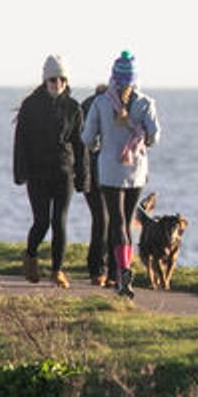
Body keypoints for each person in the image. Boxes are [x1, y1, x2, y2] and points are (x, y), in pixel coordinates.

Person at [80, 50, 160, 297]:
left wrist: (98, 147)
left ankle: (122, 270)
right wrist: (140, 140)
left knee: (117, 222)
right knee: (127, 219)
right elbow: (154, 137)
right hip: (135, 170)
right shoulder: (146, 103)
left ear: (113, 77)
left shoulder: (101, 103)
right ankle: (123, 270)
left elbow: (87, 137)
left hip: (109, 171)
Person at [13, 55, 85, 289]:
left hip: (64, 172)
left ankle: (57, 270)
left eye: (61, 79)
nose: (57, 84)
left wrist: (83, 176)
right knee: (41, 221)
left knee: (59, 221)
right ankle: (31, 255)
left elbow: (79, 145)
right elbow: (21, 141)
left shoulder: (73, 108)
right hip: (37, 173)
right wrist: (21, 172)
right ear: (45, 81)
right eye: (52, 79)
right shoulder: (31, 106)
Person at [80, 83, 117, 287]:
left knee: (105, 218)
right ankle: (101, 269)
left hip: (104, 170)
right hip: (95, 170)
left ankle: (107, 269)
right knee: (105, 218)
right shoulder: (91, 106)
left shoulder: (89, 104)